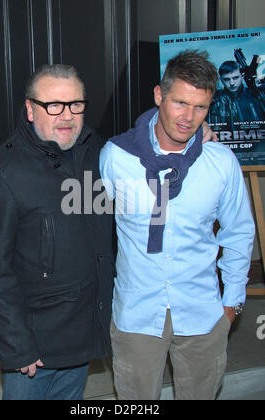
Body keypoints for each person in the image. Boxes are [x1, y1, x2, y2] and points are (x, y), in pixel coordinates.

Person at [100, 50, 255, 400]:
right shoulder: (116, 156)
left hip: (203, 313)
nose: (189, 118)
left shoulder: (220, 162)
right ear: (159, 96)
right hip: (136, 314)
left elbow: (239, 233)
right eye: (180, 103)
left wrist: (232, 305)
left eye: (200, 107)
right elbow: (94, 227)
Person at [0, 64, 115, 400]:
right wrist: (17, 343)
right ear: (30, 109)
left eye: (75, 104)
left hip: (84, 325)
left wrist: (197, 134)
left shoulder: (97, 152)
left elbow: (147, 145)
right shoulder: (0, 175)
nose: (66, 116)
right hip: (37, 344)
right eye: (53, 105)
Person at [208, 60, 265, 127]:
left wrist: (261, 81)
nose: (232, 83)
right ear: (221, 80)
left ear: (242, 76)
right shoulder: (215, 100)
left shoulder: (258, 94)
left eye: (235, 78)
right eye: (227, 79)